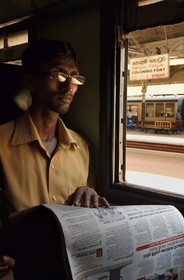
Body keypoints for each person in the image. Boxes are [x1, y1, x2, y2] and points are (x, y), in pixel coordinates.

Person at [0, 39, 110, 277]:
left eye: (75, 78)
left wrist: (89, 196)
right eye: (58, 75)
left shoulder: (81, 147)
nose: (68, 87)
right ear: (30, 81)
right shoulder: (1, 142)